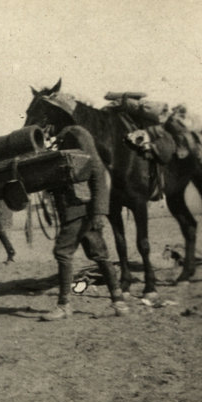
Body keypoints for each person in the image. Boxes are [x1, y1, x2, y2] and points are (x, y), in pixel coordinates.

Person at [41, 125, 130, 320]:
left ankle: (64, 305)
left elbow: (96, 171)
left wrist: (99, 212)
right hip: (83, 210)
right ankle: (119, 301)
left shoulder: (75, 134)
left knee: (62, 253)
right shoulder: (66, 137)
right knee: (100, 255)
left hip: (77, 210)